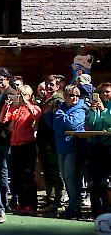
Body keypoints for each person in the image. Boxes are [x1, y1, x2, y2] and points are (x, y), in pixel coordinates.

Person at [45, 85, 86, 219]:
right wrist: (50, 112)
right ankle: (72, 206)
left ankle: (75, 207)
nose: (74, 98)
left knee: (71, 178)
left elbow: (72, 124)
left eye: (77, 95)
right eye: (71, 95)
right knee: (66, 178)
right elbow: (53, 125)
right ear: (65, 96)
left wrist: (58, 114)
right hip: (61, 147)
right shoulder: (62, 108)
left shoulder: (80, 108)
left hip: (73, 148)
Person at [0, 85, 42, 213]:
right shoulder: (16, 109)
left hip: (27, 144)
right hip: (15, 145)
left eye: (25, 94)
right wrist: (7, 106)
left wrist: (27, 104)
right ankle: (22, 204)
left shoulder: (34, 107)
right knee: (18, 175)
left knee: (28, 175)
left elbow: (36, 115)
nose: (22, 97)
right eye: (20, 94)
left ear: (30, 96)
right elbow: (3, 119)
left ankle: (32, 204)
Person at [36, 75, 65, 213]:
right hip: (42, 140)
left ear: (57, 86)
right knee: (47, 171)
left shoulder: (58, 100)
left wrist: (51, 142)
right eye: (47, 83)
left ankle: (58, 201)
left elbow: (56, 123)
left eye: (51, 84)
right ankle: (50, 199)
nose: (49, 86)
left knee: (55, 172)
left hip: (52, 141)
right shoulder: (44, 99)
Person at [0, 67, 17, 209]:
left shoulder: (11, 94)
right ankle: (0, 198)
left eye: (1, 79)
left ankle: (6, 200)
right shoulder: (0, 94)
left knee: (5, 168)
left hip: (6, 136)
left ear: (7, 79)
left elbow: (7, 117)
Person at [85, 82, 111, 217]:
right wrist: (94, 111)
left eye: (107, 92)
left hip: (108, 147)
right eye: (102, 92)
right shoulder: (96, 105)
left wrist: (104, 110)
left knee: (105, 180)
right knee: (94, 180)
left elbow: (109, 120)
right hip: (95, 145)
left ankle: (107, 209)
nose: (104, 94)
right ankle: (96, 210)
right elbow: (93, 123)